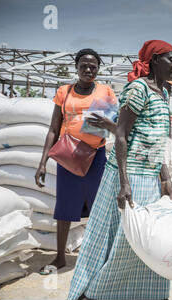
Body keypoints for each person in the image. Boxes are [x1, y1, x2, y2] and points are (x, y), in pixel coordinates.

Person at [68, 40, 172, 300]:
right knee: (127, 244)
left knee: (146, 244)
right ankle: (93, 293)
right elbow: (121, 135)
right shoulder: (137, 89)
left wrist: (165, 176)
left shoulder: (162, 93)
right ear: (153, 62)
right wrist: (124, 182)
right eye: (170, 60)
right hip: (131, 176)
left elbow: (156, 138)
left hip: (149, 177)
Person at [35, 48, 117, 274]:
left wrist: (107, 125)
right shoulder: (64, 92)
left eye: (93, 66)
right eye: (84, 65)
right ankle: (60, 257)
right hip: (69, 156)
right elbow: (53, 128)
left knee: (98, 208)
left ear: (98, 69)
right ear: (76, 67)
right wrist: (42, 163)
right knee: (65, 206)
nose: (88, 69)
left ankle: (97, 258)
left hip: (95, 155)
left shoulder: (105, 92)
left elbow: (117, 127)